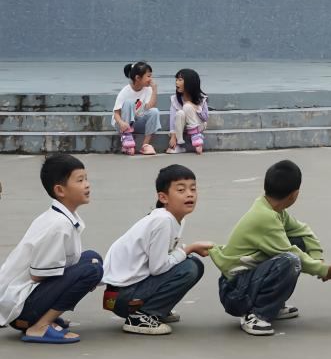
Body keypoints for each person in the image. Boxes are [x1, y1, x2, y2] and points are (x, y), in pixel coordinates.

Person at [210, 160, 331, 336]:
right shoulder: (265, 217)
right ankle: (256, 314)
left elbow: (304, 231)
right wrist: (325, 270)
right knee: (290, 260)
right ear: (294, 195)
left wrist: (317, 259)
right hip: (235, 292)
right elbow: (291, 254)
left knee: (297, 242)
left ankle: (273, 305)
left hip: (246, 280)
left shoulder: (273, 209)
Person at [0, 154, 104, 344]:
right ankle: (39, 326)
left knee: (92, 258)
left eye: (86, 179)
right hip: (20, 308)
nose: (87, 185)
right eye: (80, 180)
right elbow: (37, 275)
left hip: (24, 299)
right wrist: (79, 280)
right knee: (92, 270)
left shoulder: (60, 217)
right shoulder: (58, 225)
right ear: (60, 190)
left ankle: (43, 317)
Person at [102, 164, 214, 335]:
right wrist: (189, 249)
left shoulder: (171, 218)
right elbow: (158, 268)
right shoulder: (163, 221)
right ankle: (142, 315)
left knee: (193, 263)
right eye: (181, 190)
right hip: (123, 297)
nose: (190, 194)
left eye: (193, 189)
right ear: (163, 197)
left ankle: (156, 309)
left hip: (123, 293)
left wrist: (187, 251)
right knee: (190, 267)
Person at [113, 60, 160, 155]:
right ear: (138, 78)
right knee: (129, 102)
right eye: (148, 76)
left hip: (136, 122)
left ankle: (145, 145)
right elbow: (116, 113)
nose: (151, 79)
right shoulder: (125, 91)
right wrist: (121, 123)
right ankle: (126, 139)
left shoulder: (148, 89)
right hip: (122, 124)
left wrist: (154, 90)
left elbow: (149, 107)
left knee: (154, 111)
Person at [167, 68, 209, 154]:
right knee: (180, 113)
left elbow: (205, 117)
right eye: (176, 80)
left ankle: (196, 136)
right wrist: (173, 136)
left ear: (190, 83)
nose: (176, 82)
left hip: (199, 125)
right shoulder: (174, 99)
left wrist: (193, 106)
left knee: (187, 106)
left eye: (180, 80)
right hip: (182, 127)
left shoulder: (201, 98)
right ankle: (179, 144)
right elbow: (172, 119)